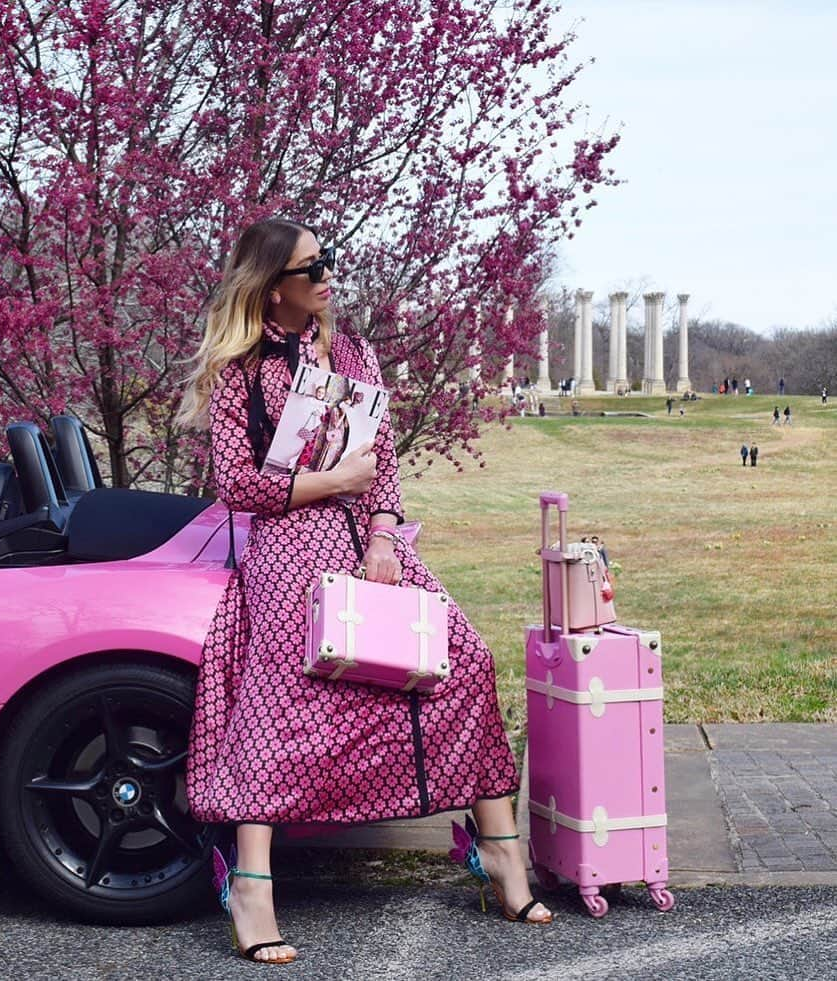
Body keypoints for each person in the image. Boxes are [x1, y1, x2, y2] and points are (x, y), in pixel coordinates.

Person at [178, 218, 551, 964]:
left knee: (465, 661)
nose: (328, 277)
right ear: (270, 287)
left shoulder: (353, 353)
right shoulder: (238, 373)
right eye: (312, 268)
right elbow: (238, 486)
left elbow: (381, 467)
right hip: (288, 544)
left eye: (327, 263)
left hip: (368, 539)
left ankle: (500, 849)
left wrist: (383, 536)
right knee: (281, 694)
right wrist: (329, 482)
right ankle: (252, 883)